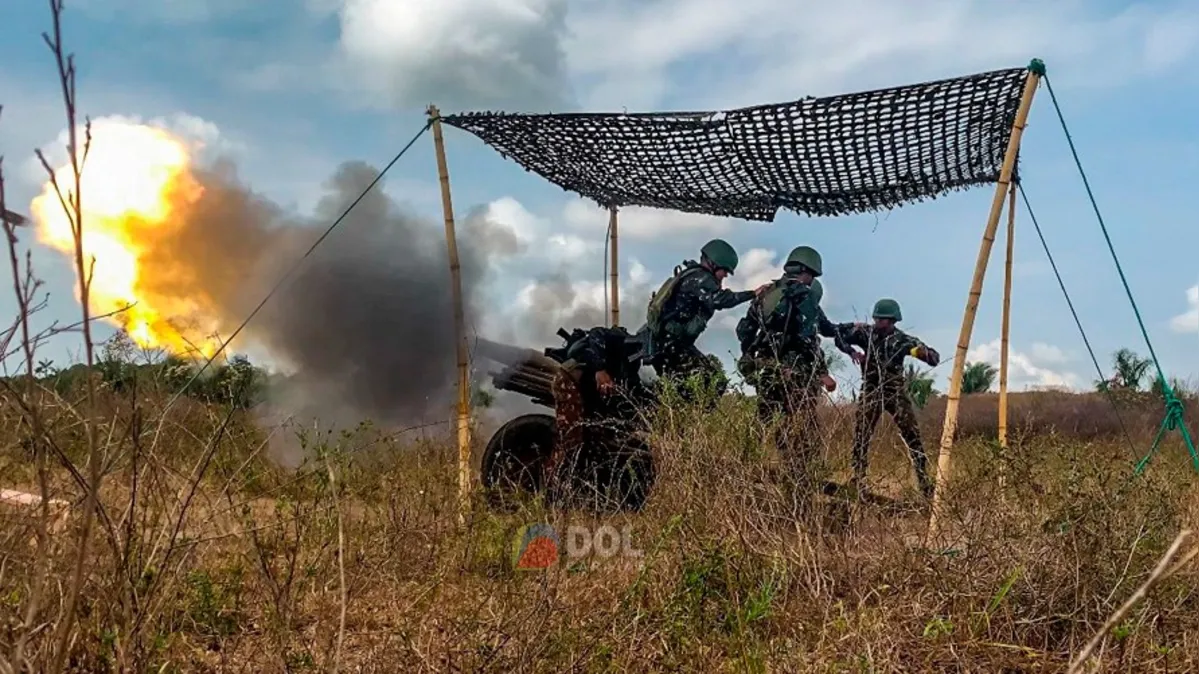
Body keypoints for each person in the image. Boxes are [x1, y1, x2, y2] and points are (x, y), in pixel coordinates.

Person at [735, 245, 852, 492]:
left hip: (766, 367)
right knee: (804, 430)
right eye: (813, 276)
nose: (812, 281)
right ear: (806, 272)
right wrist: (822, 373)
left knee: (763, 417)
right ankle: (799, 487)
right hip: (794, 372)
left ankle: (741, 466)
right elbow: (808, 336)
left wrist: (753, 355)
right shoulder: (805, 294)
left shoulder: (766, 293)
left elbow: (744, 330)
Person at [837, 298, 941, 499]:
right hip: (871, 390)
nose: (878, 322)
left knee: (912, 436)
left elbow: (934, 358)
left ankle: (924, 482)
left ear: (893, 320)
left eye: (883, 319)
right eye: (877, 318)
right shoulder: (865, 333)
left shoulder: (903, 340)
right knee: (861, 436)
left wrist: (924, 354)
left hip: (895, 392)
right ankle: (858, 479)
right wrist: (852, 350)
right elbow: (838, 335)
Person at [642, 238, 770, 401]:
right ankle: (681, 417)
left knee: (711, 382)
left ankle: (683, 414)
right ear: (714, 264)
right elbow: (720, 300)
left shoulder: (693, 275)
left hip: (674, 344)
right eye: (724, 270)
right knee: (706, 384)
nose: (725, 275)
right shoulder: (701, 278)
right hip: (670, 346)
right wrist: (753, 293)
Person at [547, 325, 652, 500]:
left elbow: (633, 391)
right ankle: (550, 492)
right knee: (572, 440)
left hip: (588, 396)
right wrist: (600, 370)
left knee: (597, 442)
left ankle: (586, 493)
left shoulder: (632, 365)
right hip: (570, 382)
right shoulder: (621, 339)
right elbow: (596, 333)